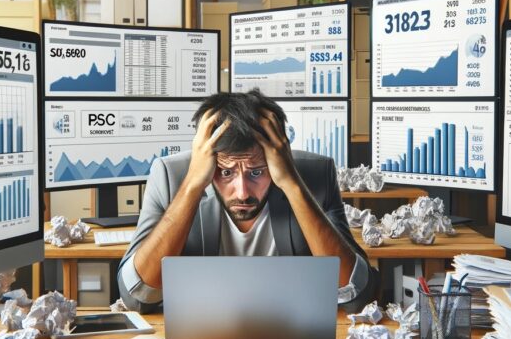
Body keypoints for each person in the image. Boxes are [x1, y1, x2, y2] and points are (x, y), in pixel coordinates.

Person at [117, 90, 373, 313]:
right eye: (226, 172)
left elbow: (355, 294)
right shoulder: (169, 176)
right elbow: (136, 295)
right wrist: (193, 185)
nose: (242, 192)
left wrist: (291, 184)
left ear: (278, 159)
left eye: (256, 172)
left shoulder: (316, 175)